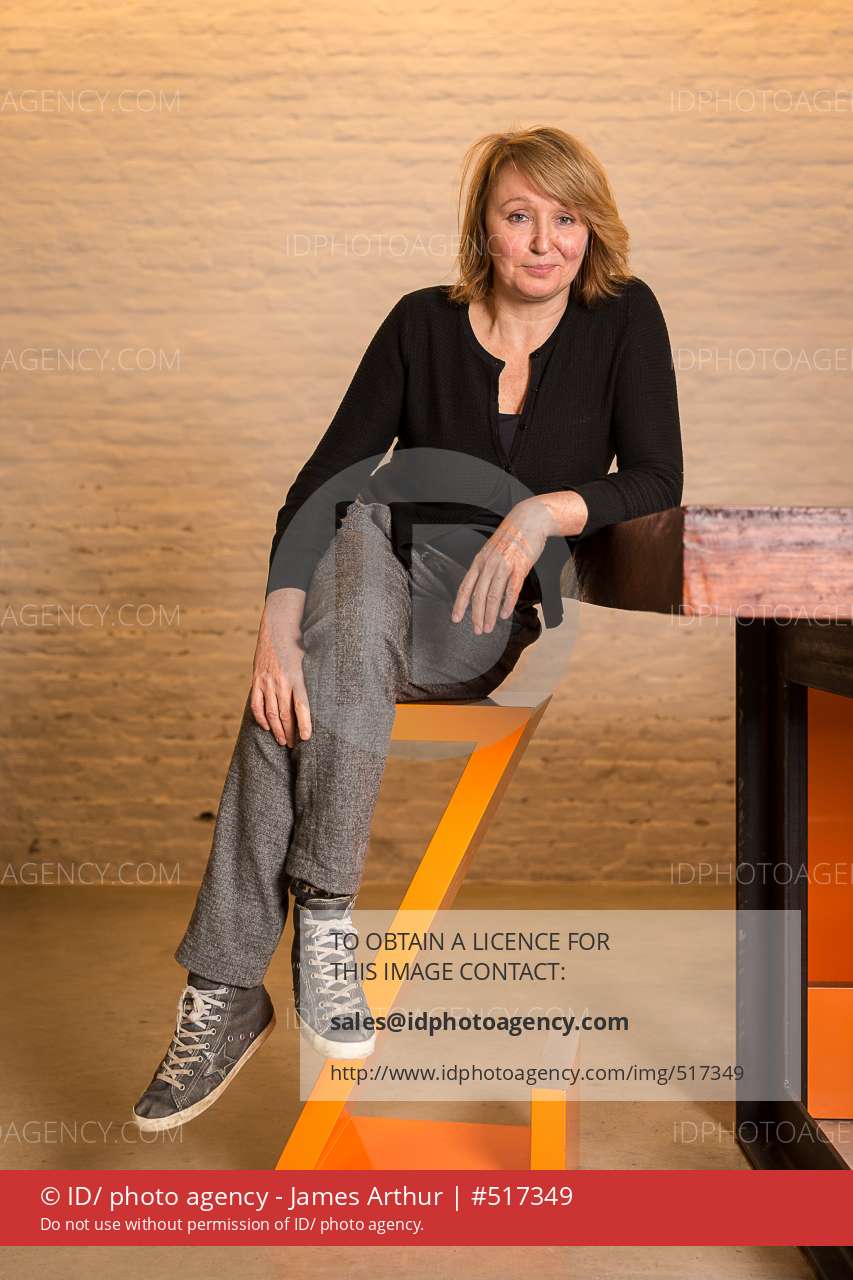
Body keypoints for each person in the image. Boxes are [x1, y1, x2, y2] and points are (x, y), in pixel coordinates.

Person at [132, 124, 683, 1131]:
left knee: (306, 678)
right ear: (483, 227)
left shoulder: (622, 317)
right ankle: (323, 928)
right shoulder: (419, 323)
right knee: (350, 538)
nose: (544, 241)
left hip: (476, 611)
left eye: (565, 218)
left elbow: (655, 475)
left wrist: (541, 512)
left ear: (591, 228)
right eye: (519, 216)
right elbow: (324, 480)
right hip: (367, 567)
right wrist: (273, 625)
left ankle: (229, 985)